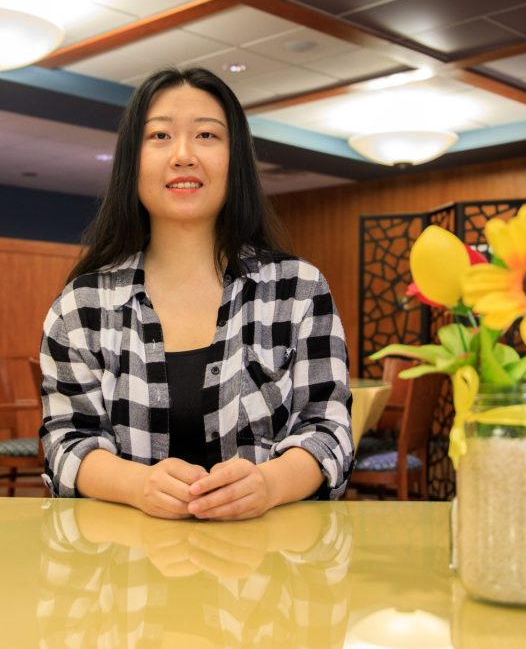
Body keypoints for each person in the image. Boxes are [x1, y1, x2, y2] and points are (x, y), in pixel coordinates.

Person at [39, 66, 353, 521]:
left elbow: (328, 428)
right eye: (160, 136)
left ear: (235, 160)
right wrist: (138, 486)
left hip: (267, 572)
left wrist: (267, 485)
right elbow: (66, 440)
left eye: (206, 136)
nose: (184, 155)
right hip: (127, 576)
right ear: (133, 161)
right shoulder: (82, 306)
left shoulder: (298, 289)